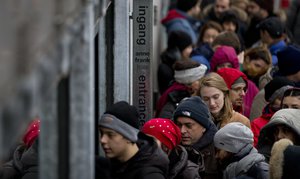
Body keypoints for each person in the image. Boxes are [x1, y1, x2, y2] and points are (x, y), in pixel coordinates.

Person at [98, 101, 169, 179]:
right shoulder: (107, 167)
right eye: (101, 133)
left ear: (129, 137)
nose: (102, 140)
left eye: (110, 135)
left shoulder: (149, 175)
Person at [173, 96, 221, 179]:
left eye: (189, 125)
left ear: (204, 127)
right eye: (179, 125)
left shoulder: (219, 151)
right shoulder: (170, 148)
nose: (182, 131)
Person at [251, 77, 294, 147]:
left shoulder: (296, 118)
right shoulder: (258, 124)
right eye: (281, 98)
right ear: (272, 100)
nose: (284, 102)